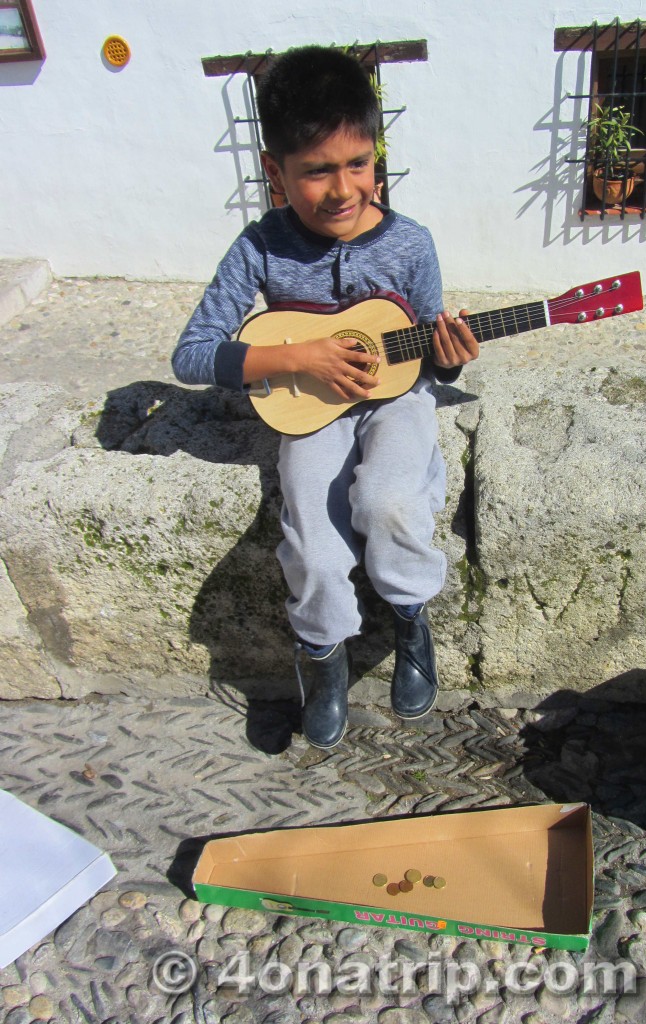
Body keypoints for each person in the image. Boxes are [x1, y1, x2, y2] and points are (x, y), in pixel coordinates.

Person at [172, 45, 479, 749]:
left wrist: (450, 357)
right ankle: (323, 656)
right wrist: (294, 356)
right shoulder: (259, 248)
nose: (343, 189)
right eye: (316, 171)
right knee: (310, 538)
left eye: (359, 164)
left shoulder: (411, 244)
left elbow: (431, 348)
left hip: (394, 400)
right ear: (276, 174)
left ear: (377, 155)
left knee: (389, 503)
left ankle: (410, 617)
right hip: (309, 410)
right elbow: (191, 353)